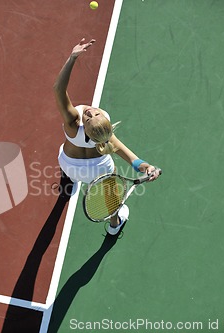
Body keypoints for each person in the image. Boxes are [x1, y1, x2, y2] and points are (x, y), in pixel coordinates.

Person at [54, 38, 161, 236]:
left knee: (66, 162)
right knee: (111, 197)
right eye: (93, 116)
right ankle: (114, 224)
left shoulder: (72, 124)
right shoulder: (104, 135)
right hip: (99, 171)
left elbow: (58, 90)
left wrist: (72, 58)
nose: (91, 113)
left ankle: (68, 183)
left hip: (68, 165)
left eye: (92, 116)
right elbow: (131, 158)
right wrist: (147, 167)